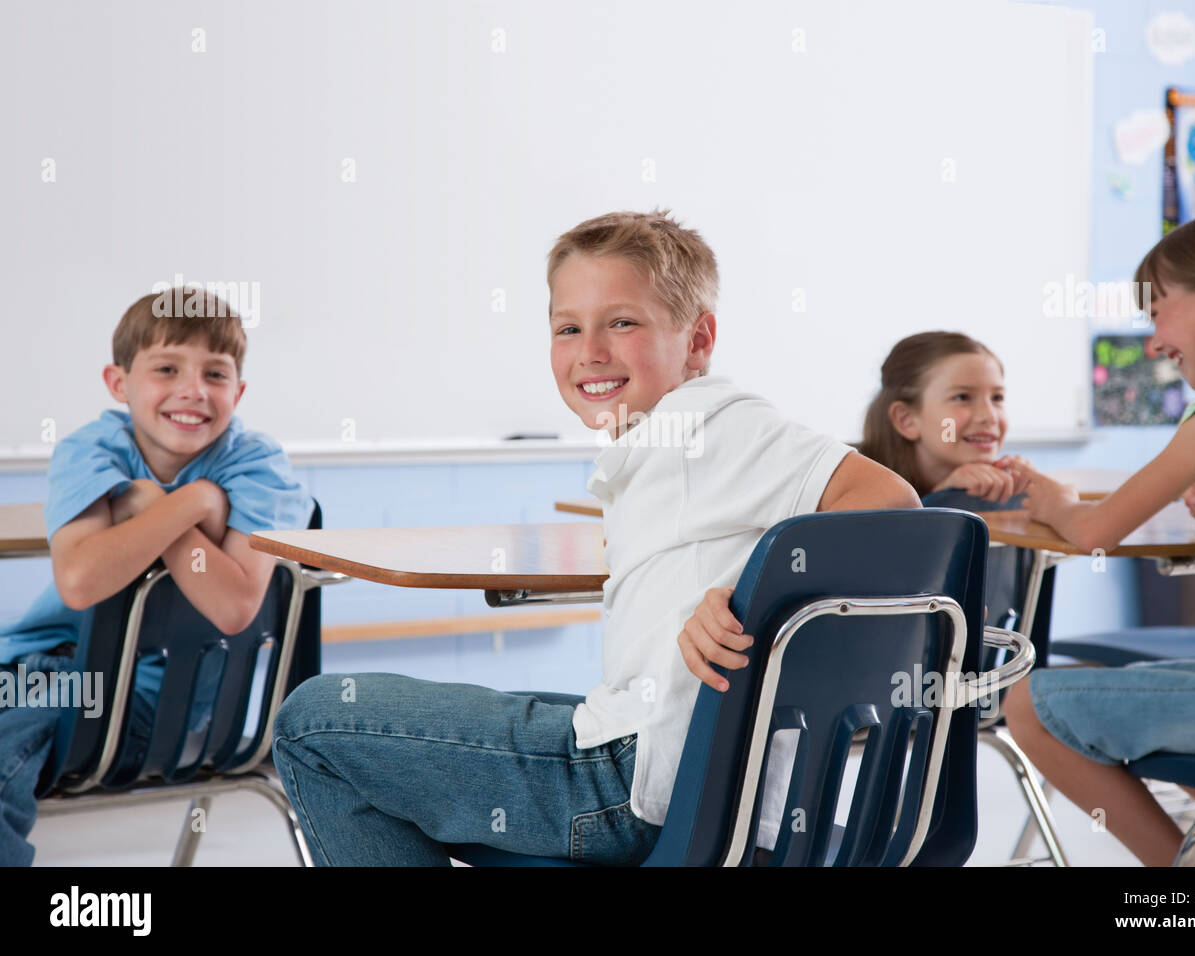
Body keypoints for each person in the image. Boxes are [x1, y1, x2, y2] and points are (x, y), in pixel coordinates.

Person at [271, 209, 919, 865]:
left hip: (636, 786)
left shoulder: (708, 422)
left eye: (623, 322)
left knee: (314, 724)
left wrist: (748, 596)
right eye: (568, 328)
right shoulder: (663, 443)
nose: (591, 351)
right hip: (706, 776)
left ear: (697, 342)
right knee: (424, 752)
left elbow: (892, 502)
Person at [1003, 208, 1195, 866]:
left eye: (1160, 309)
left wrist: (1057, 500)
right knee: (1178, 724)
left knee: (1027, 704)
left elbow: (1096, 532)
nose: (1153, 336)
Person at [0, 288, 312, 866]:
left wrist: (152, 509)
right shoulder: (92, 449)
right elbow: (82, 578)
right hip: (33, 668)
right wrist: (189, 504)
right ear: (119, 385)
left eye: (215, 374)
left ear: (238, 392)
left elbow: (235, 604)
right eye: (167, 368)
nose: (193, 390)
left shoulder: (255, 464)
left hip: (135, 701)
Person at [858, 331, 1029, 503]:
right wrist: (944, 499)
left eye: (997, 398)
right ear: (906, 420)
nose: (990, 416)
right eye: (962, 397)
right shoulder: (859, 491)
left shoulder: (1001, 486)